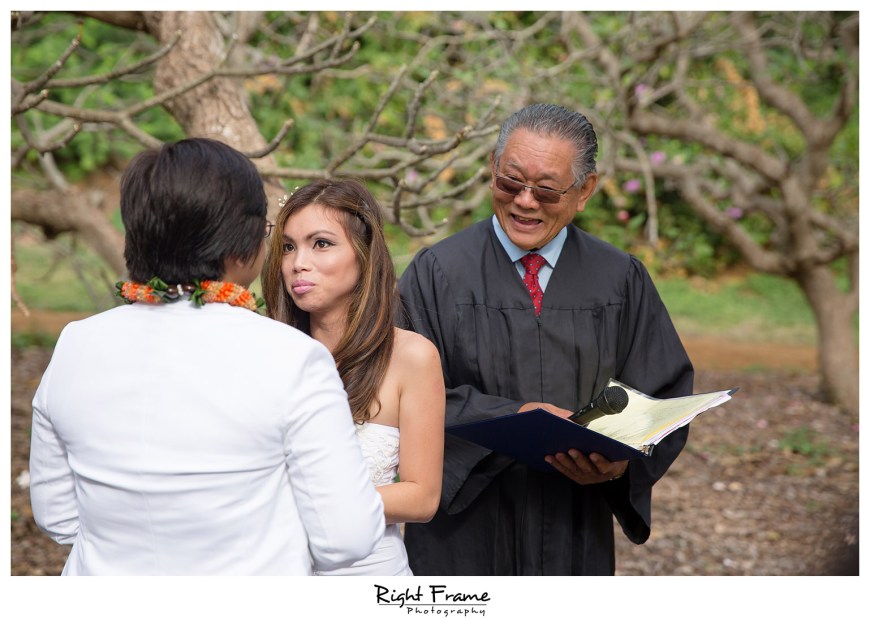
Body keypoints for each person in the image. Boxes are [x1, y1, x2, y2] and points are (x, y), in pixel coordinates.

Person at [29, 138, 385, 575]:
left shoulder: (75, 344)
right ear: (242, 242)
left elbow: (58, 518)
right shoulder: (292, 358)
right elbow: (346, 539)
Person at [398, 103, 694, 576]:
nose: (525, 202)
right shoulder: (437, 273)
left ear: (585, 191)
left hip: (573, 526)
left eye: (547, 190)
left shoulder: (620, 279)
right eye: (510, 182)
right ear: (491, 169)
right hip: (464, 533)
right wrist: (513, 416)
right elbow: (401, 393)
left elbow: (661, 392)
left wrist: (621, 463)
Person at [261, 178, 445, 576]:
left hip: (368, 574)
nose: (298, 263)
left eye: (320, 243)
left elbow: (422, 497)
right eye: (288, 247)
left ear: (364, 254)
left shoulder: (411, 356)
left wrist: (319, 505)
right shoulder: (264, 351)